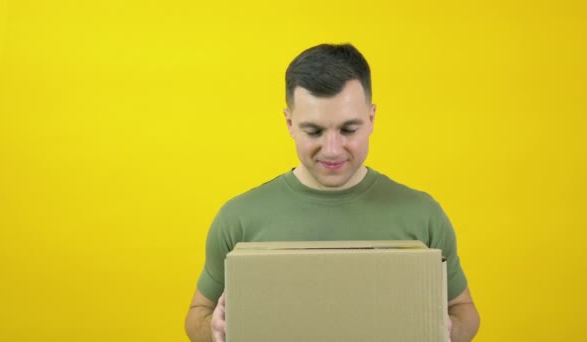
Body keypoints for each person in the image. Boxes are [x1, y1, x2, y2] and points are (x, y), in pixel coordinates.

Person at [184, 43, 480, 342]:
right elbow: (198, 313)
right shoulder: (239, 219)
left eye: (349, 129)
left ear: (372, 119)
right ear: (289, 123)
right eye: (314, 131)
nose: (332, 149)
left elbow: (463, 310)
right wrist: (213, 328)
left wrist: (448, 330)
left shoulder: (423, 214)